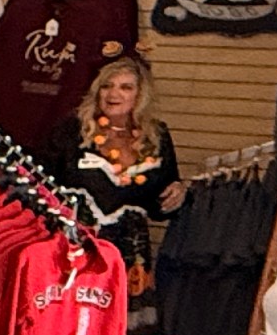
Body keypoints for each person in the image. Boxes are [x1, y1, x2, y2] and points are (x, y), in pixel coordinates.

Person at [44, 55, 183, 289]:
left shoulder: (156, 135)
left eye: (125, 87)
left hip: (129, 261)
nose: (113, 94)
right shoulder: (72, 130)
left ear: (140, 95)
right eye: (106, 86)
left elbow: (160, 207)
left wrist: (177, 193)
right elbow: (42, 186)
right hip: (73, 252)